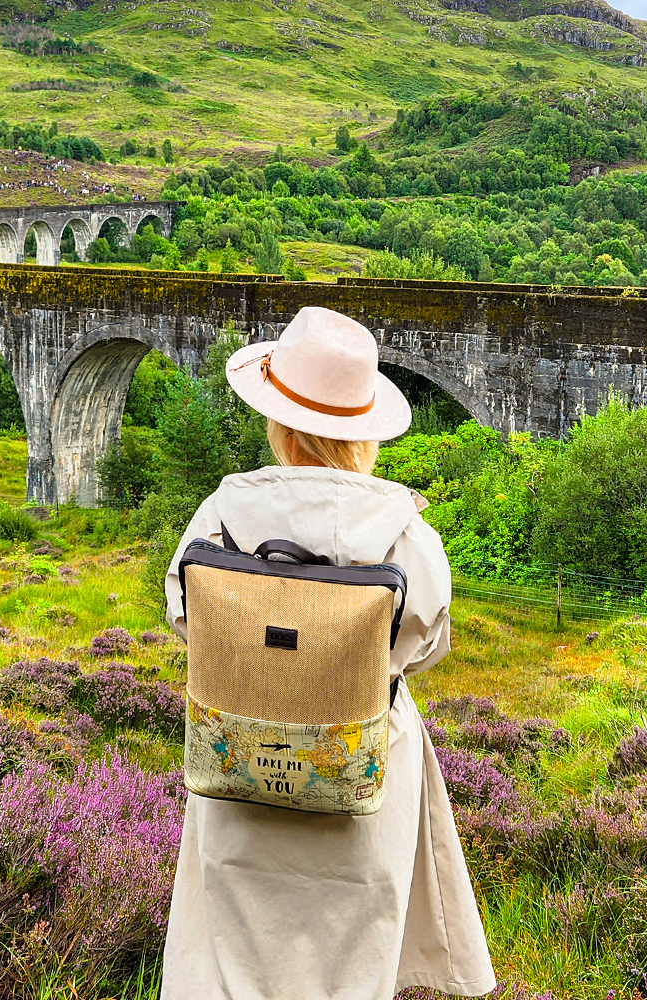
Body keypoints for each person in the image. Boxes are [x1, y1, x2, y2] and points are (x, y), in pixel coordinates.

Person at [159, 306, 497, 999]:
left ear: (278, 422)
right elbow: (425, 648)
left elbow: (183, 617)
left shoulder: (219, 514)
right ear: (365, 432)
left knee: (231, 968)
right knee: (354, 968)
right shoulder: (406, 533)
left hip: (237, 770)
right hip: (360, 775)